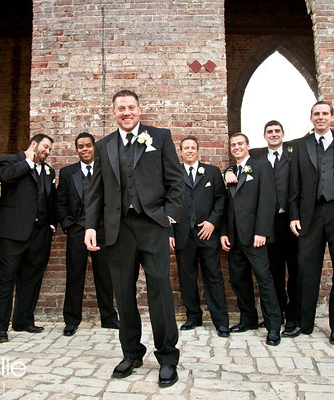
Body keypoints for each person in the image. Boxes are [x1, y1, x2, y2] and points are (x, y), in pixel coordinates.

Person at [84, 90, 184, 388]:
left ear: (139, 110)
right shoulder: (103, 146)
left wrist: (169, 217)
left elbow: (176, 181)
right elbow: (95, 191)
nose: (126, 112)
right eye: (120, 108)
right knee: (123, 294)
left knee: (159, 290)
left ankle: (167, 357)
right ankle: (131, 352)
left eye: (131, 107)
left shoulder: (160, 137)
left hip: (153, 225)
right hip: (118, 229)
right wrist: (91, 226)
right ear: (113, 112)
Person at [288, 101, 334, 345]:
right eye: (316, 114)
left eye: (325, 114)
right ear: (311, 118)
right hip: (310, 214)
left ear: (332, 117)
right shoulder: (301, 145)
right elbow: (293, 184)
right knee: (306, 270)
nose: (321, 117)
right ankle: (304, 322)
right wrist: (294, 215)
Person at [0, 134, 57, 343]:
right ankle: (0, 327)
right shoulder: (9, 161)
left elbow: (50, 199)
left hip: (39, 234)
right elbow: (6, 178)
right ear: (34, 144)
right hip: (13, 233)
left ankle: (23, 320)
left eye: (49, 150)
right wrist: (27, 161)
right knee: (6, 278)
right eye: (45, 147)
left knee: (31, 278)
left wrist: (51, 225)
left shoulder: (49, 171)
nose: (47, 152)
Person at [220, 132, 282, 346]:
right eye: (233, 145)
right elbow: (227, 205)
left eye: (240, 144)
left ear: (248, 146)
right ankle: (248, 319)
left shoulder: (261, 165)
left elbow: (268, 198)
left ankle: (274, 326)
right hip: (235, 236)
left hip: (255, 236)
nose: (236, 147)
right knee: (238, 280)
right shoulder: (230, 172)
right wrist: (225, 232)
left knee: (264, 280)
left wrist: (262, 231)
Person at [57, 132, 118, 337]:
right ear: (77, 149)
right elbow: (61, 203)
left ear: (94, 147)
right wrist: (69, 226)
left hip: (101, 231)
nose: (84, 149)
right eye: (80, 146)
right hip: (77, 231)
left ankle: (108, 317)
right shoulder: (67, 173)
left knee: (105, 276)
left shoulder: (105, 170)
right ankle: (71, 320)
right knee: (74, 276)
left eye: (88, 146)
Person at [169, 136, 229, 337]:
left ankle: (221, 321)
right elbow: (167, 203)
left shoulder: (211, 172)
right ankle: (193, 316)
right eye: (186, 148)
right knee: (187, 277)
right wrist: (170, 232)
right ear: (180, 151)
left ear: (198, 150)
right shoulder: (173, 173)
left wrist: (213, 222)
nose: (189, 151)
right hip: (183, 234)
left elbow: (222, 200)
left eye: (193, 147)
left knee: (213, 276)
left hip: (207, 233)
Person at [246, 121, 299, 333]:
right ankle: (277, 314)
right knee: (274, 271)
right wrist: (229, 170)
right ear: (264, 136)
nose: (274, 134)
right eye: (270, 132)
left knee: (295, 269)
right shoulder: (257, 156)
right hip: (269, 223)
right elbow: (239, 160)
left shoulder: (294, 153)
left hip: (292, 220)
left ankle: (293, 316)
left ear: (283, 134)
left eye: (277, 131)